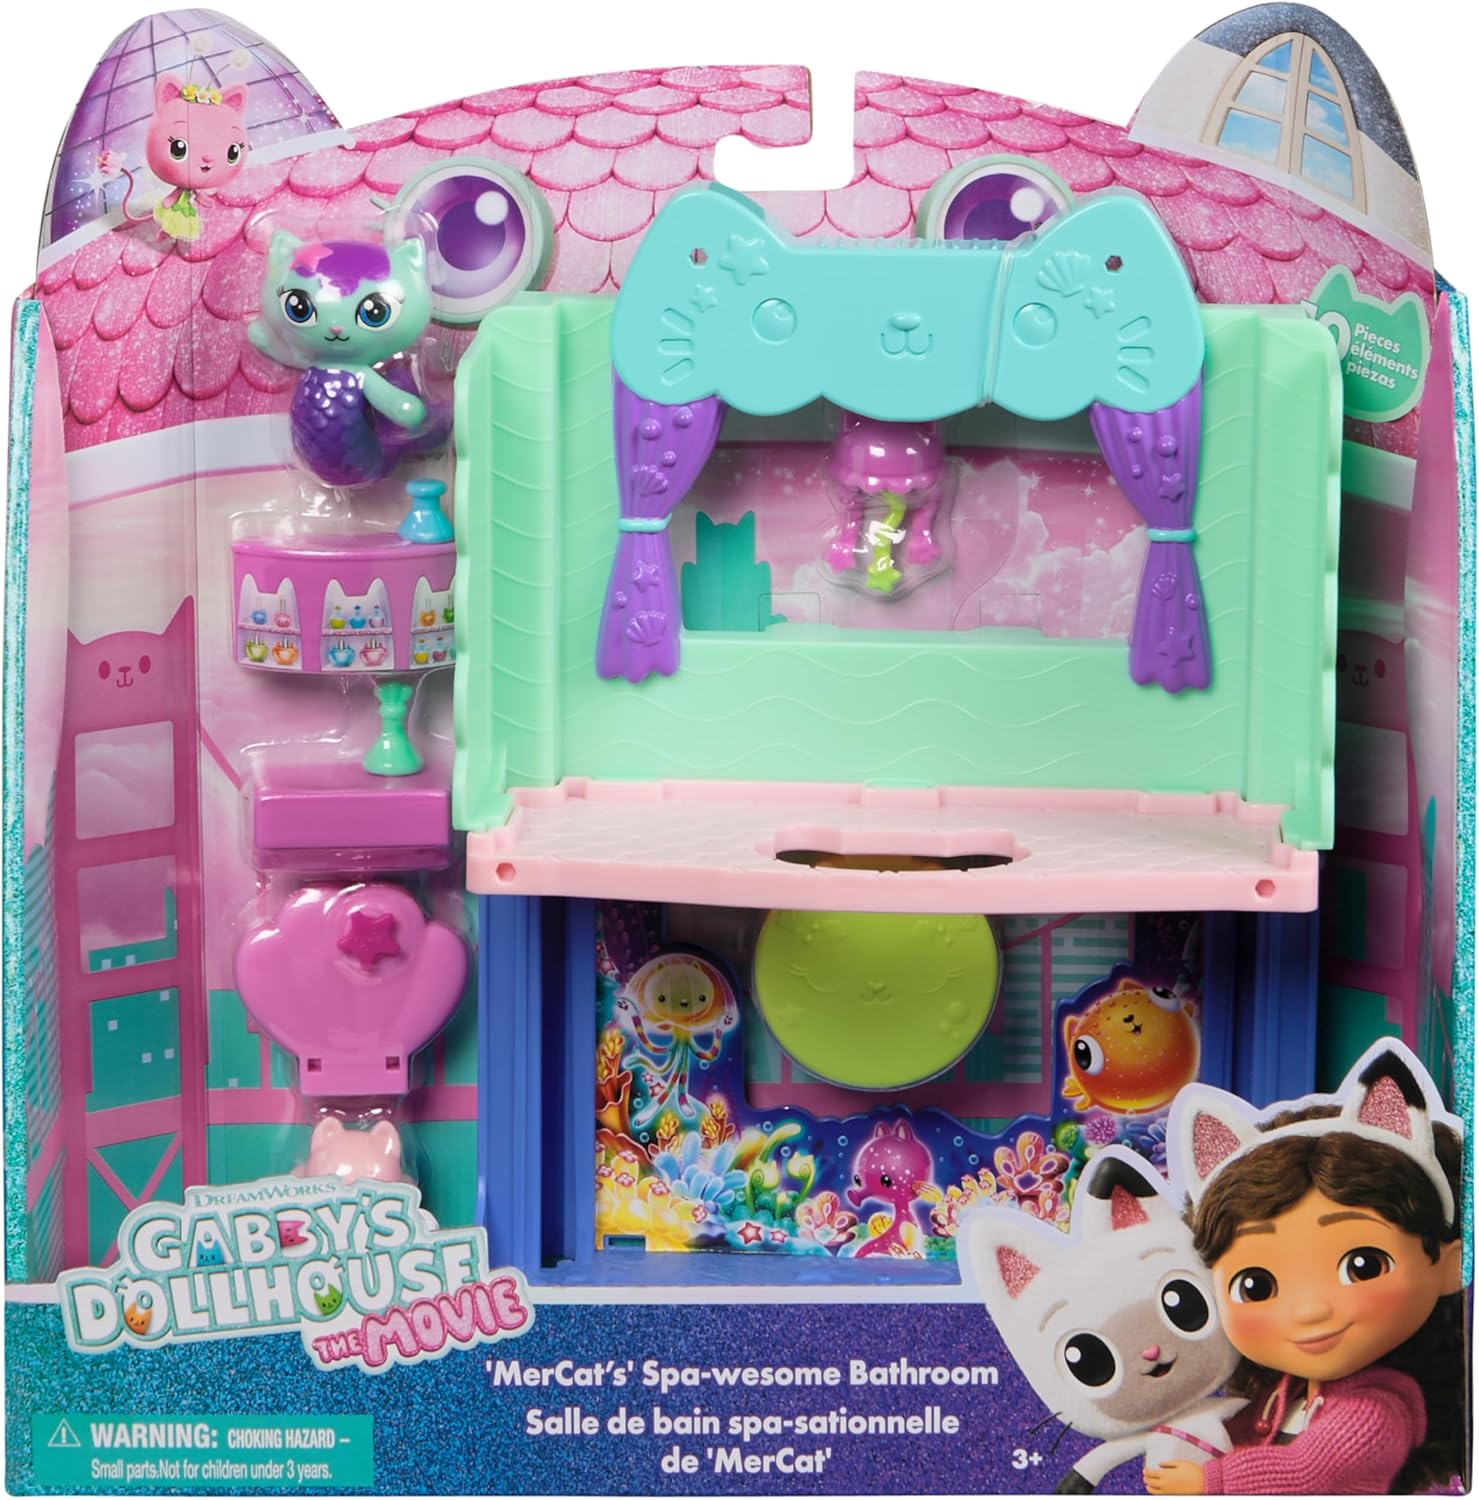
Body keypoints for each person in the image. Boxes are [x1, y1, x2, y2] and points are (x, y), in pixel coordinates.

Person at [1145, 1043, 1464, 1495]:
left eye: (1363, 1267)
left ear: (1449, 1266)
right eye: (1256, 1286)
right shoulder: (1286, 1392)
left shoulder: (1373, 1414)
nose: (1309, 1309)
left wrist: (1211, 1481)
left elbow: (1308, 1471)